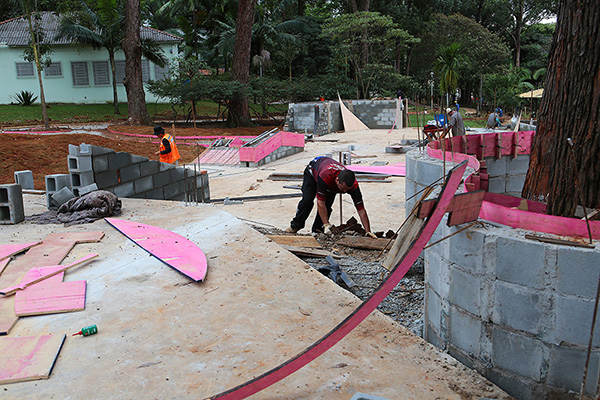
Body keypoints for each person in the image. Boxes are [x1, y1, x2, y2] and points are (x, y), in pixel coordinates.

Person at [287, 156, 376, 238]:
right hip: (314, 172)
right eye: (343, 188)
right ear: (337, 181)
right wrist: (326, 224)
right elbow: (320, 203)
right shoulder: (326, 176)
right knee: (308, 200)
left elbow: (361, 210)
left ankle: (318, 232)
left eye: (347, 190)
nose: (344, 191)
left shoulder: (354, 186)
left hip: (331, 184)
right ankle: (295, 226)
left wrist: (368, 231)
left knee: (327, 206)